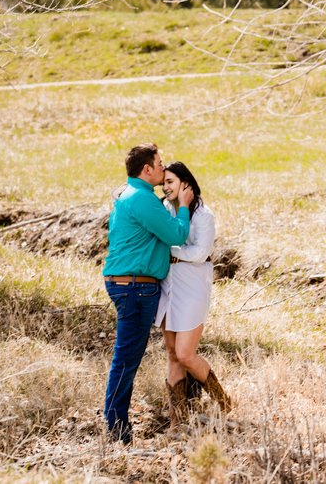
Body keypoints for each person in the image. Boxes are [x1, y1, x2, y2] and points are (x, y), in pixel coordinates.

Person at [102, 143, 194, 444]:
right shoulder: (142, 199)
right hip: (135, 287)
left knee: (128, 357)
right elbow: (177, 235)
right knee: (126, 359)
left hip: (129, 284)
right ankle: (116, 429)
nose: (163, 168)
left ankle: (117, 424)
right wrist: (182, 206)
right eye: (160, 163)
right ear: (147, 170)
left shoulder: (128, 194)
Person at [155, 161, 232, 421]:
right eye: (163, 182)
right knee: (172, 353)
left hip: (192, 288)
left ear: (185, 183)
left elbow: (201, 253)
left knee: (185, 354)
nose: (165, 187)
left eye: (170, 182)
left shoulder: (202, 214)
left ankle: (224, 402)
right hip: (169, 286)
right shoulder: (166, 209)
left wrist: (170, 249)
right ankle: (179, 417)